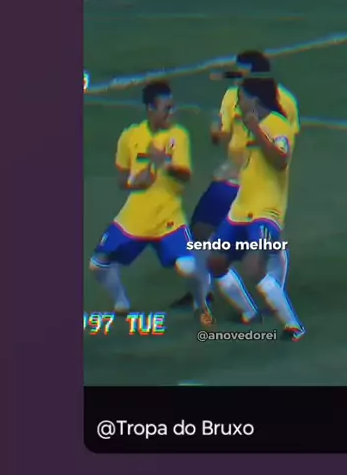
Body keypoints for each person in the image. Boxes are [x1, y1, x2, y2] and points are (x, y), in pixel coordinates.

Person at [170, 50, 300, 310]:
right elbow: (224, 135)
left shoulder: (285, 101)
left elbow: (284, 143)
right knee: (201, 229)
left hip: (260, 181)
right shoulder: (232, 96)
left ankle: (274, 290)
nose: (236, 76)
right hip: (229, 177)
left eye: (241, 72)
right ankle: (202, 292)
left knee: (266, 240)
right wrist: (215, 133)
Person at [88, 81, 212, 322]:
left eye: (173, 107)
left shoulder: (178, 135)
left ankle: (200, 302)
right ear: (150, 109)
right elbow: (122, 180)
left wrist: (165, 162)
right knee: (97, 264)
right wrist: (136, 183)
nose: (172, 112)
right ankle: (121, 301)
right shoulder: (130, 136)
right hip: (135, 217)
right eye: (166, 108)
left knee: (187, 268)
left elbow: (185, 175)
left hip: (169, 217)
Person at [206, 76, 305, 341]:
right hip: (241, 208)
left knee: (253, 265)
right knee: (215, 261)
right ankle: (250, 313)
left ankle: (293, 326)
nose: (237, 102)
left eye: (242, 97)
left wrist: (257, 131)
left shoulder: (278, 125)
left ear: (255, 99)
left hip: (266, 210)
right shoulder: (246, 126)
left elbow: (280, 160)